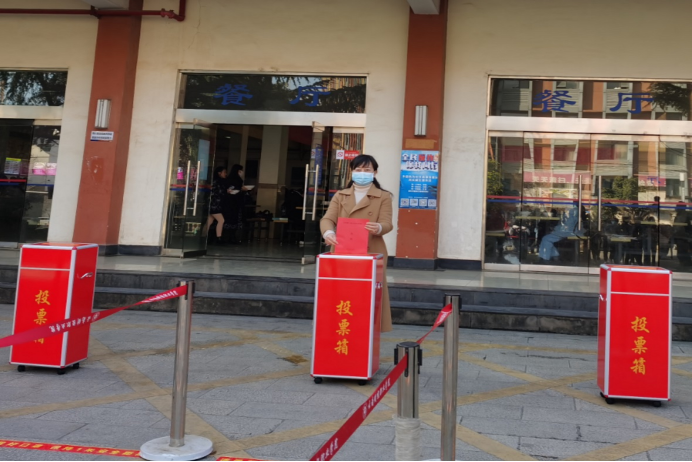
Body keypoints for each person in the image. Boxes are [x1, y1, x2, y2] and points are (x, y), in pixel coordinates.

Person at [320, 155, 394, 332]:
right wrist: (328, 232)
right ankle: (342, 328)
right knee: (342, 292)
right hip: (343, 251)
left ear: (375, 172)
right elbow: (327, 219)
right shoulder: (341, 195)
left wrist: (378, 227)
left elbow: (387, 223)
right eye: (358, 170)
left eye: (367, 170)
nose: (362, 173)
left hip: (371, 251)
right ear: (352, 172)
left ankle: (365, 330)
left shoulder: (383, 196)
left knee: (367, 294)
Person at [205, 166, 231, 245]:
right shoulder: (218, 182)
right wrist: (226, 191)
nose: (225, 174)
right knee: (221, 220)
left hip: (214, 204)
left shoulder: (216, 181)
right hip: (215, 204)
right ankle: (218, 237)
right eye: (224, 172)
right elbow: (218, 192)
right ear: (219, 173)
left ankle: (203, 236)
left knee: (209, 221)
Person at [224, 164, 249, 244]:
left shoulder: (228, 179)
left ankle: (227, 236)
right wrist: (242, 190)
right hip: (236, 203)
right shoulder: (238, 180)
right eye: (241, 170)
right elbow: (237, 191)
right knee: (235, 219)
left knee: (229, 219)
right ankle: (232, 237)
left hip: (228, 202)